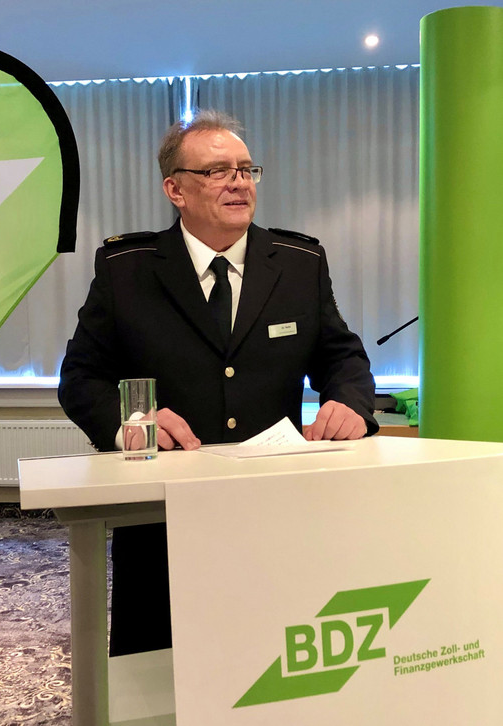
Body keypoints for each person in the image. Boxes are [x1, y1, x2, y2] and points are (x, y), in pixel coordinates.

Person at [58, 110, 379, 656]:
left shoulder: (300, 263)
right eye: (217, 171)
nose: (238, 182)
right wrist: (131, 422)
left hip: (274, 512)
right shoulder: (126, 269)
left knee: (271, 658)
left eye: (246, 169)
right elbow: (81, 377)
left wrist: (350, 403)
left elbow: (341, 357)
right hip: (160, 516)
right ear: (175, 190)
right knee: (156, 667)